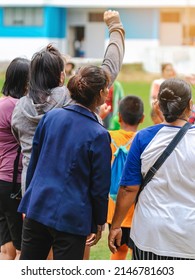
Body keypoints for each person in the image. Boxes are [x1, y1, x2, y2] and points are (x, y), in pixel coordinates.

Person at [11, 9, 125, 197]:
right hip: (66, 195)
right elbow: (109, 68)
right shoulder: (71, 96)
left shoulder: (20, 107)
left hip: (31, 194)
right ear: (61, 75)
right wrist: (115, 27)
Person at [18, 65, 112, 260]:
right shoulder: (99, 134)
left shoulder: (51, 117)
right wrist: (99, 221)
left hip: (38, 205)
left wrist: (29, 198)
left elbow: (34, 163)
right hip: (72, 215)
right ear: (101, 93)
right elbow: (99, 186)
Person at [108, 78, 195, 260]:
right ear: (190, 105)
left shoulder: (143, 138)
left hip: (150, 236)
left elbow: (128, 188)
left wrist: (115, 226)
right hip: (189, 236)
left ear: (159, 106)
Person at [107, 95, 144, 260]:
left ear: (119, 117)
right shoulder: (144, 139)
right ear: (142, 119)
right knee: (137, 252)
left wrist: (99, 117)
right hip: (136, 208)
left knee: (118, 250)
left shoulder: (108, 136)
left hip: (114, 209)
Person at [0, 57, 30, 260]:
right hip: (14, 181)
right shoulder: (18, 107)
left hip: (2, 178)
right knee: (22, 248)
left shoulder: (3, 104)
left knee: (4, 245)